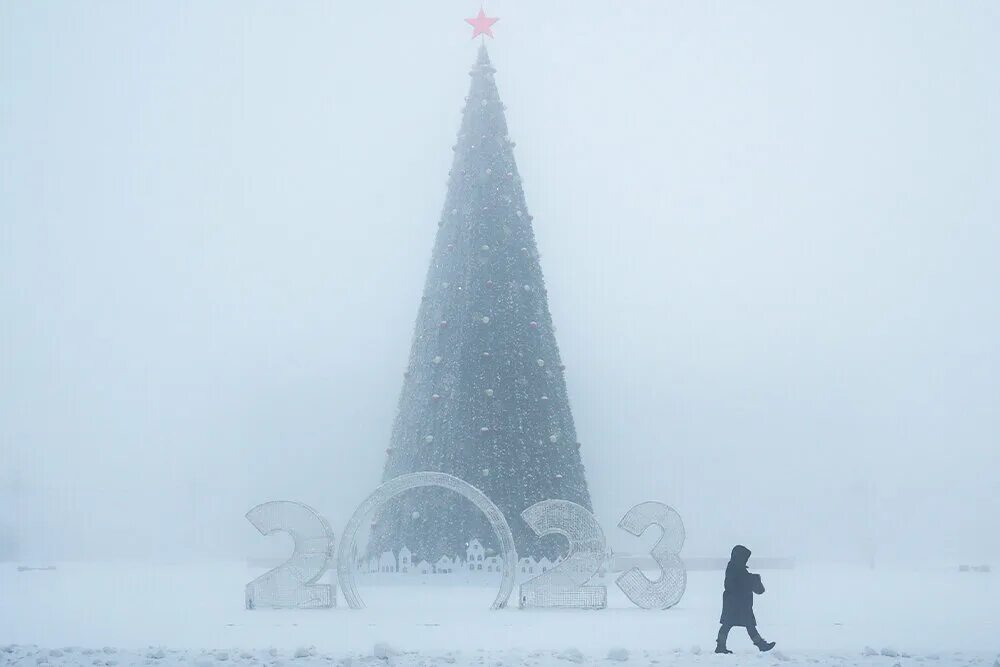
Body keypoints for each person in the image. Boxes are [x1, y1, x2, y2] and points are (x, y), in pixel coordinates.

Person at [715, 545, 776, 654]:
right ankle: (720, 646)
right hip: (734, 603)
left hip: (741, 603)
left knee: (747, 624)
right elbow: (730, 585)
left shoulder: (738, 569)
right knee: (729, 624)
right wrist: (750, 580)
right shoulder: (733, 568)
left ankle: (761, 645)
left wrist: (751, 580)